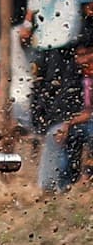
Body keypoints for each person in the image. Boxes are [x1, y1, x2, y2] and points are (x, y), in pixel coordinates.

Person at [22, 0, 85, 133]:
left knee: (62, 81)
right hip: (45, 34)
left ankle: (60, 121)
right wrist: (28, 23)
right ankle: (41, 125)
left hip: (65, 33)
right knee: (43, 80)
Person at [40, 43, 93, 192]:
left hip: (87, 123)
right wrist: (67, 124)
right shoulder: (76, 78)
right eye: (79, 56)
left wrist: (68, 124)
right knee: (56, 134)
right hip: (80, 122)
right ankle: (55, 186)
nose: (83, 61)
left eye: (87, 55)